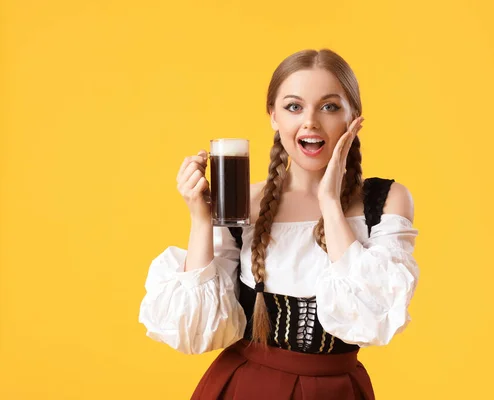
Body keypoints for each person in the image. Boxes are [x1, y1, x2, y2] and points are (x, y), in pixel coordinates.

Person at [139, 48, 420, 400]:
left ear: (354, 117)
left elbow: (373, 320)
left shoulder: (386, 201)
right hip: (245, 389)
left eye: (329, 106)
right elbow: (194, 333)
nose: (310, 122)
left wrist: (330, 202)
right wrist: (200, 218)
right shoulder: (244, 203)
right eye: (293, 106)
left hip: (337, 391)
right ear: (273, 116)